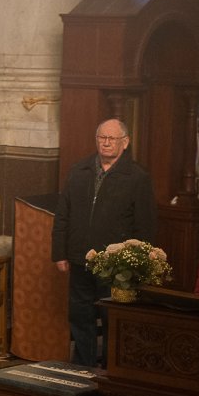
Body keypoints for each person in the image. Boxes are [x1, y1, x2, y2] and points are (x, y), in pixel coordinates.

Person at [52, 118, 156, 367]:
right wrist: (59, 253)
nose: (106, 143)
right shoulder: (79, 170)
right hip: (79, 258)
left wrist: (139, 263)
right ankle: (83, 366)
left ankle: (111, 369)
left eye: (112, 138)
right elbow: (63, 214)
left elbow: (146, 225)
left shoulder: (137, 177)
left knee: (112, 317)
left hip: (116, 265)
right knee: (80, 315)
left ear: (125, 142)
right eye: (102, 138)